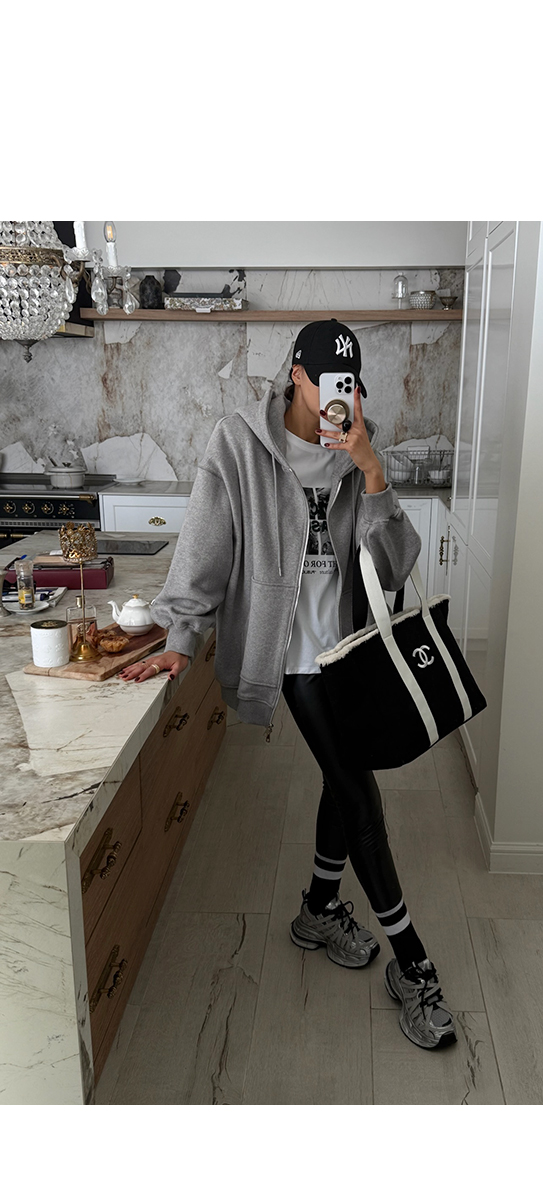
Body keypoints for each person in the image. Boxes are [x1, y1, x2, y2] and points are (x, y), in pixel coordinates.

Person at [120, 319, 456, 1052]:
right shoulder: (238, 444)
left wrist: (371, 471)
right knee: (360, 794)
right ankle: (413, 963)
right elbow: (203, 552)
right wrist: (180, 640)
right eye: (328, 378)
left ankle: (318, 910)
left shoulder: (359, 445)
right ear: (296, 375)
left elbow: (394, 566)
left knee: (344, 780)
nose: (340, 393)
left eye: (350, 381)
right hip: (291, 659)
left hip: (348, 651)